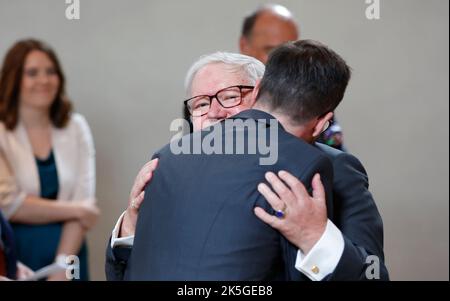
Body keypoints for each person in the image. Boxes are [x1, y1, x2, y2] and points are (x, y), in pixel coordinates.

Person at [107, 41, 388, 280]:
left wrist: (317, 239)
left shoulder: (334, 168)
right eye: (201, 104)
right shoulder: (169, 168)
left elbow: (372, 272)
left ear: (259, 95)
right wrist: (132, 227)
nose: (215, 112)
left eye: (229, 97)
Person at [0, 39, 100, 281]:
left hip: (71, 255)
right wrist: (77, 209)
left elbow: (83, 198)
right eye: (32, 73)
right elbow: (8, 205)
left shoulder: (76, 127)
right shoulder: (2, 131)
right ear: (14, 79)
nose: (44, 80)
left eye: (51, 71)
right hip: (17, 257)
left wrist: (61, 266)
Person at [239, 3, 345, 150]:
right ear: (244, 46)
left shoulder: (310, 97)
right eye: (272, 51)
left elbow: (335, 159)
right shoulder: (218, 101)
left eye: (290, 50)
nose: (283, 60)